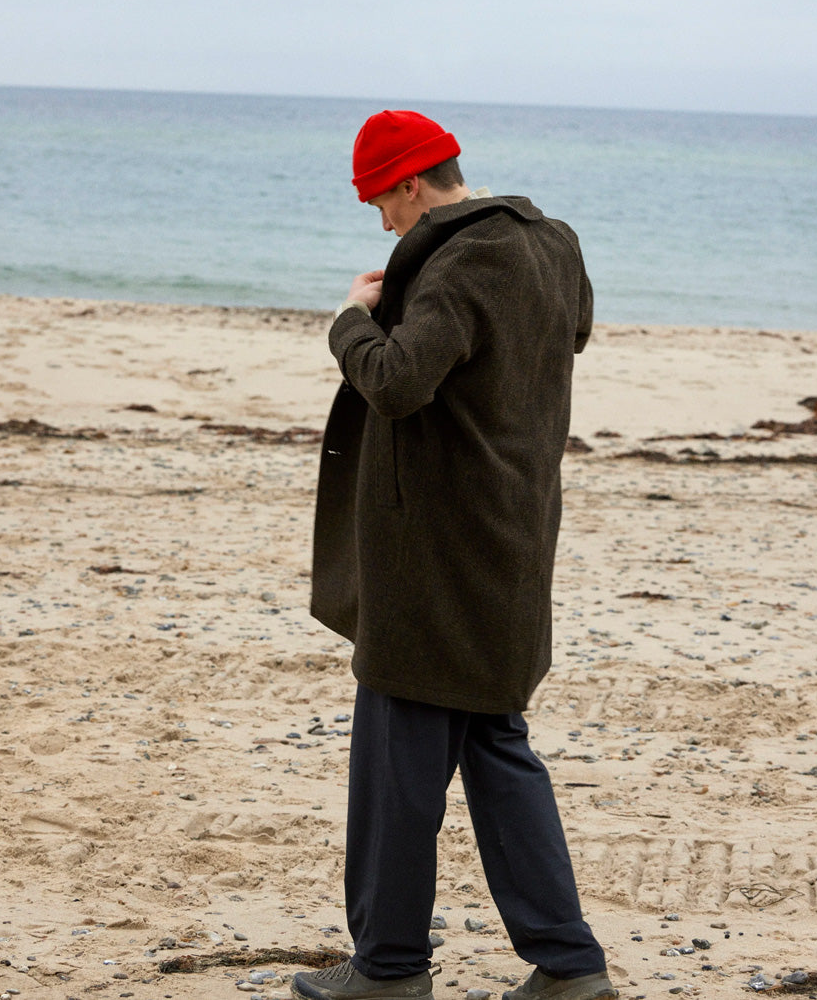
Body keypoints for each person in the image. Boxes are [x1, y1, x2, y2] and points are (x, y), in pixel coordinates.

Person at [292, 110, 617, 1000]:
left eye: (379, 201)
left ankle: (389, 970)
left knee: (397, 765)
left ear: (410, 182)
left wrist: (351, 321)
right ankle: (570, 965)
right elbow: (559, 336)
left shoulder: (461, 254)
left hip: (434, 554)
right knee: (497, 747)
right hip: (511, 535)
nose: (381, 223)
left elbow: (397, 381)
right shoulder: (552, 244)